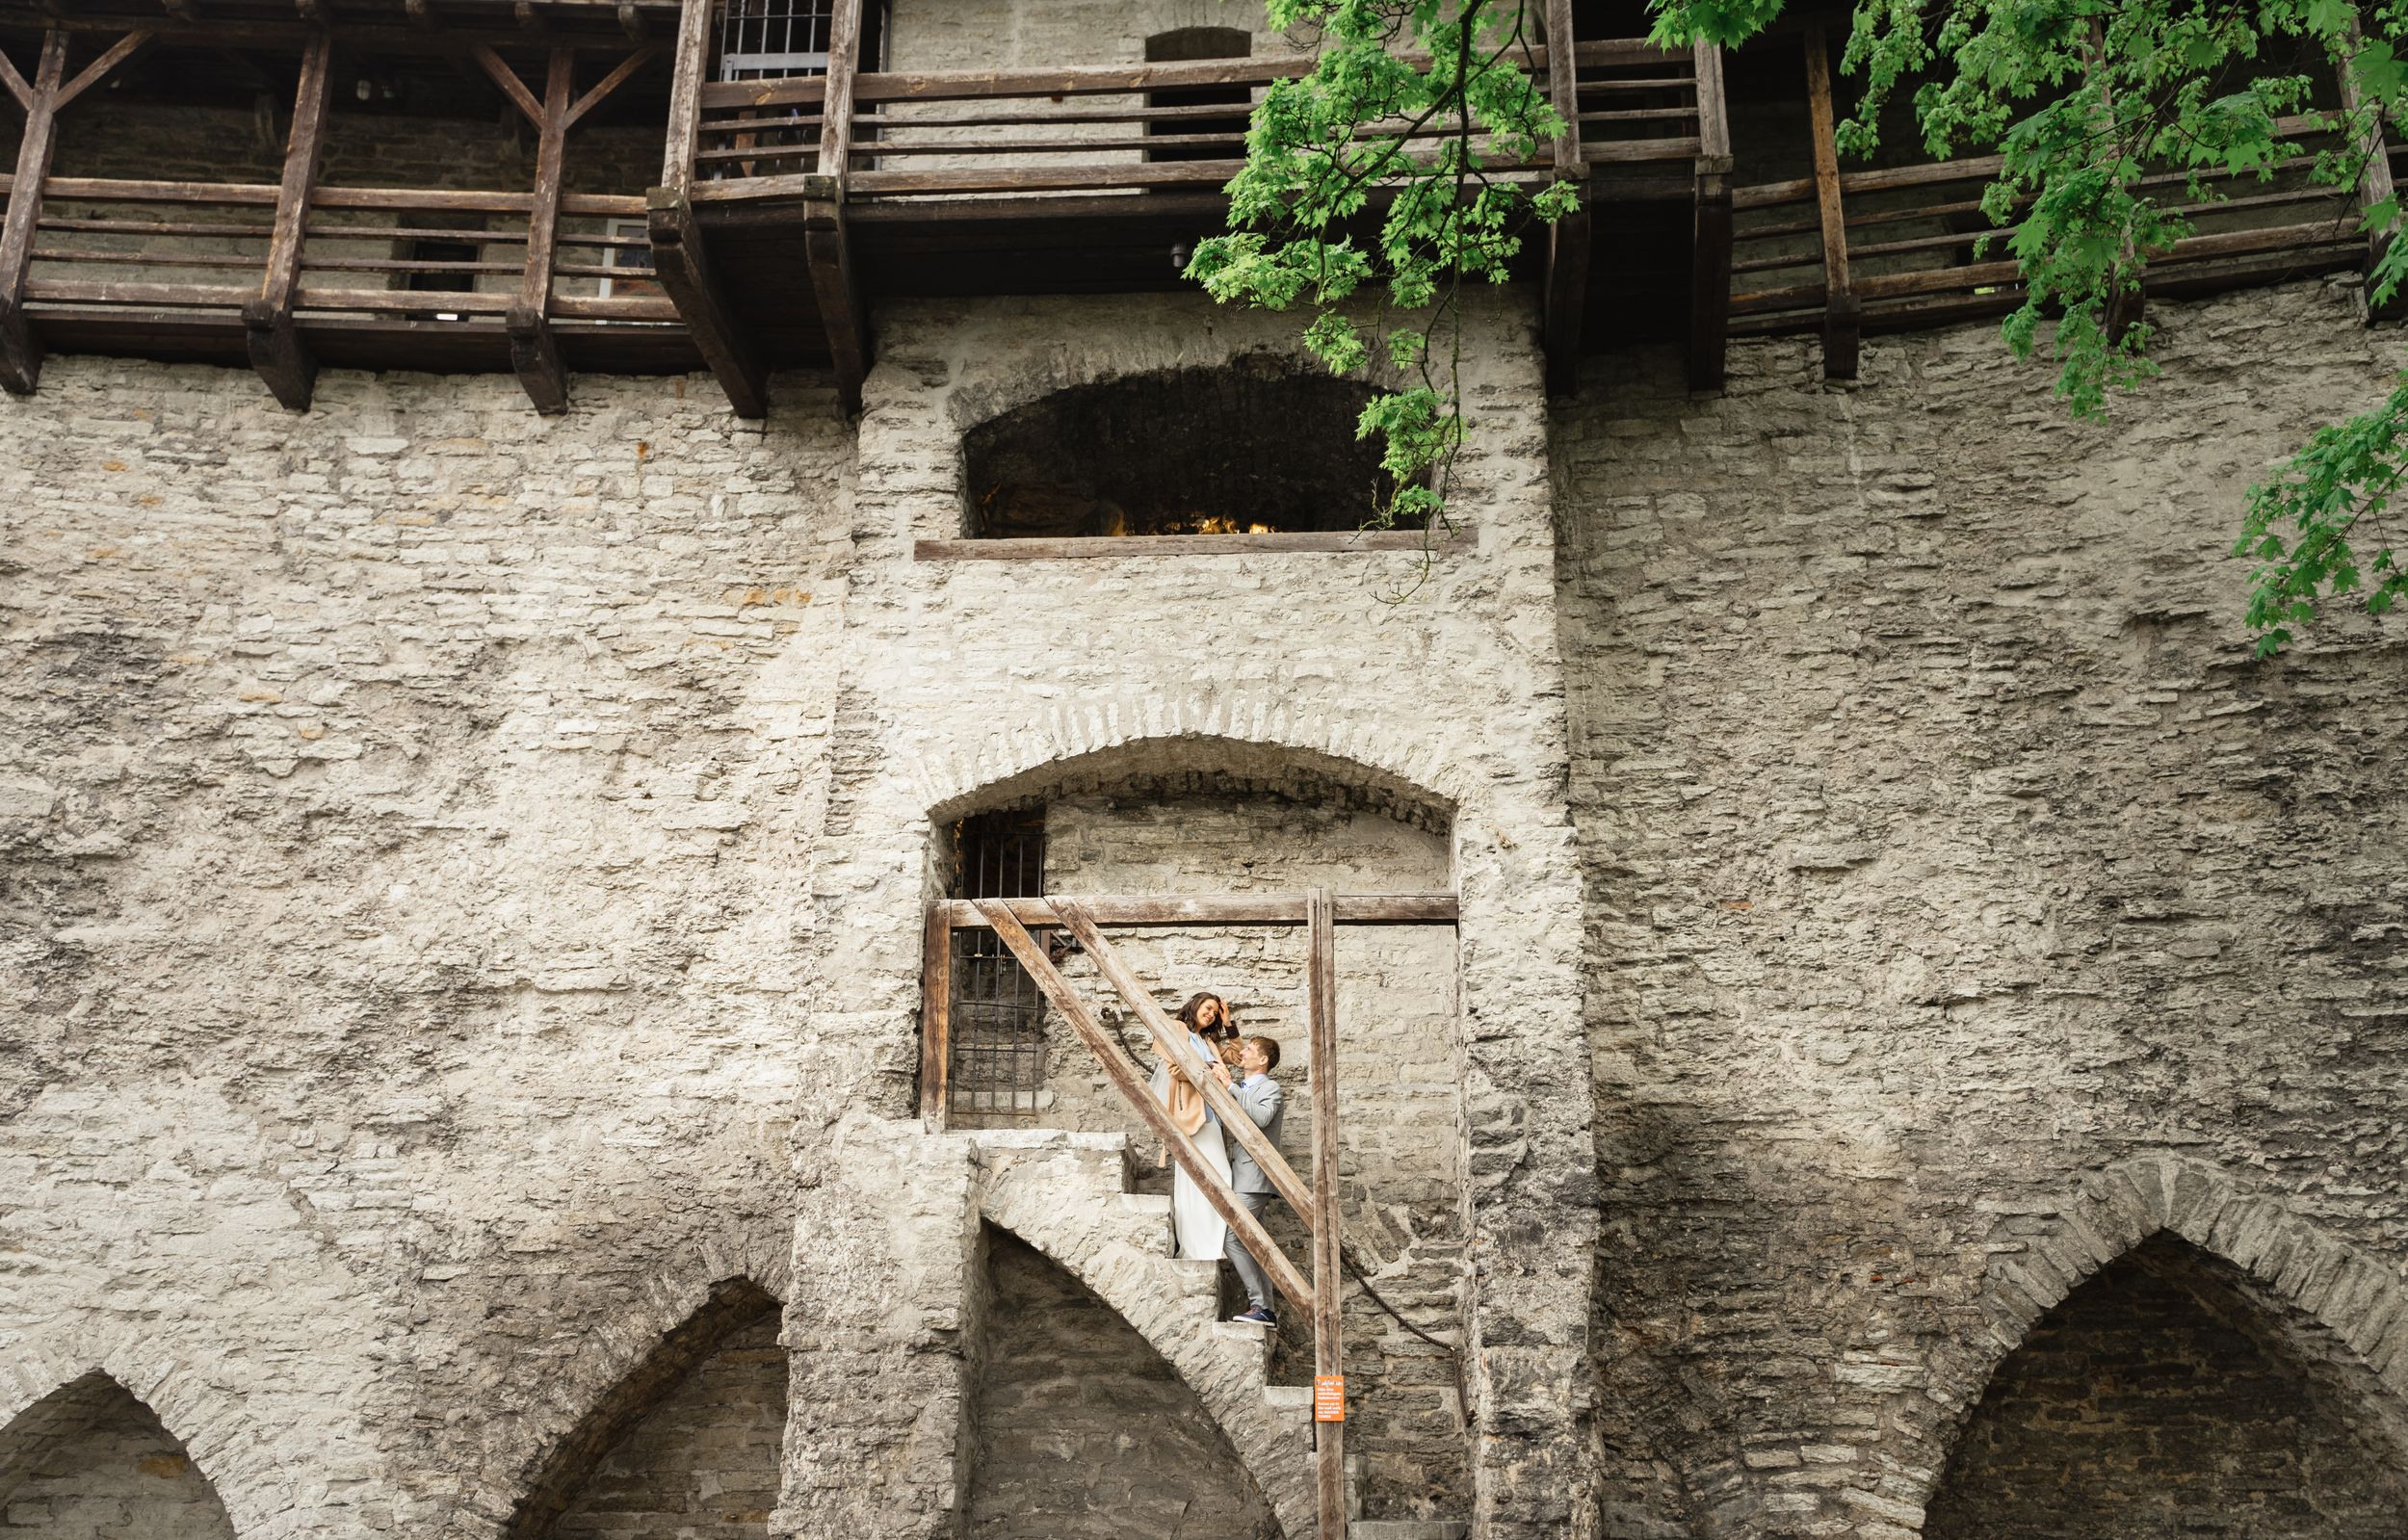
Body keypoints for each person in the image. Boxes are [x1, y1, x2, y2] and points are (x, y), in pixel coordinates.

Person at [1148, 992, 1233, 1262]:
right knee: (1198, 1178)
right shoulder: (1178, 1029)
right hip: (1192, 1114)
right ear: (1195, 1005)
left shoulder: (1208, 1041)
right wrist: (1207, 1069)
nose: (1210, 1014)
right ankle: (1197, 1248)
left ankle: (1212, 1245)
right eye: (1207, 1008)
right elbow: (1174, 1070)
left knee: (1220, 1177)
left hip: (1212, 1117)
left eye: (1214, 1013)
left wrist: (1228, 1023)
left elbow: (1237, 1055)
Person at [1217, 1033, 1286, 1327]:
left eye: (1249, 1049)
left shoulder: (1271, 1088)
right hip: (1241, 1174)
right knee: (1255, 1242)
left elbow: (1262, 1118)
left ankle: (1259, 1305)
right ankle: (1266, 1310)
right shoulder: (1245, 1087)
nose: (1242, 1052)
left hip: (1254, 1177)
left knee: (1232, 1238)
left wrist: (1231, 1087)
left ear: (1263, 1060)